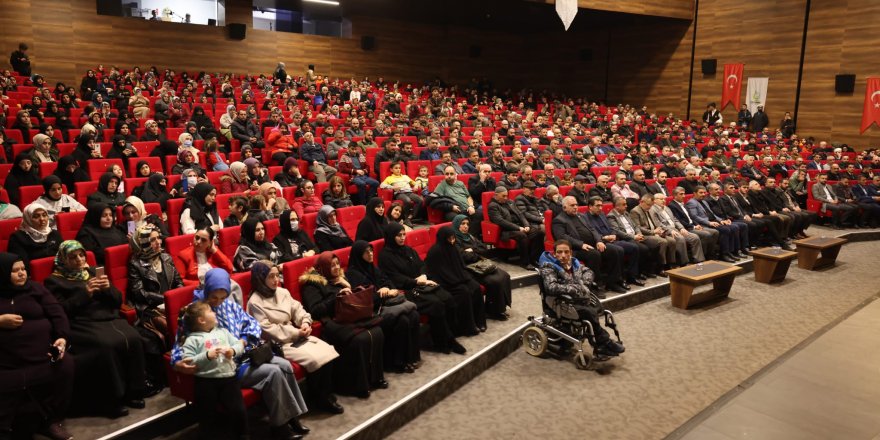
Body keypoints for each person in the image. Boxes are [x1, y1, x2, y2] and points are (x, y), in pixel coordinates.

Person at [172, 268, 309, 440]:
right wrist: (177, 362)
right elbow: (181, 342)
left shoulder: (229, 305)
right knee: (273, 372)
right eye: (214, 297)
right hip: (228, 366)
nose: (218, 302)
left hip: (244, 352)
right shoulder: (194, 311)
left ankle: (292, 417)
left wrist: (243, 340)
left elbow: (252, 324)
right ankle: (279, 427)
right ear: (206, 290)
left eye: (222, 297)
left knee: (285, 365)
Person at [45, 240, 149, 418]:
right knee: (106, 345)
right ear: (63, 260)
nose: (79, 260)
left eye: (81, 255)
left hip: (107, 317)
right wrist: (86, 293)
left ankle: (134, 391)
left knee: (134, 337)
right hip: (81, 322)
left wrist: (107, 288)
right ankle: (111, 399)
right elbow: (61, 310)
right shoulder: (54, 281)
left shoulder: (93, 271)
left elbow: (117, 300)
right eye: (72, 257)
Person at [246, 261, 342, 414]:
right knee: (315, 359)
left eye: (277, 275)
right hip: (278, 344)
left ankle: (323, 394)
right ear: (260, 278)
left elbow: (297, 309)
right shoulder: (255, 302)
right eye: (271, 276)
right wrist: (296, 332)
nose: (276, 280)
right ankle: (320, 398)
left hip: (296, 335)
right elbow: (267, 330)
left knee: (328, 351)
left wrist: (305, 322)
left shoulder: (282, 291)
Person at [0, 252, 75, 440]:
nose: (21, 274)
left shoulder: (35, 289)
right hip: (7, 360)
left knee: (66, 365)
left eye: (23, 269)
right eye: (14, 271)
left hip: (42, 354)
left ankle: (51, 420)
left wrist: (62, 338)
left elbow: (57, 313)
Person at [300, 252, 387, 398]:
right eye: (332, 265)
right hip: (331, 320)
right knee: (360, 339)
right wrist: (337, 296)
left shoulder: (340, 278)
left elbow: (352, 299)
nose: (336, 268)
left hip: (349, 315)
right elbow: (315, 310)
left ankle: (375, 378)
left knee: (377, 331)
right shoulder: (312, 283)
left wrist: (348, 286)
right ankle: (358, 385)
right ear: (322, 268)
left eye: (337, 264)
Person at [378, 223, 465, 353]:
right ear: (391, 237)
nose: (402, 238)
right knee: (436, 304)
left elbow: (422, 265)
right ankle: (443, 342)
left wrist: (424, 275)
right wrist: (416, 282)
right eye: (398, 235)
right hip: (406, 289)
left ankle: (450, 335)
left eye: (403, 234)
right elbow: (394, 278)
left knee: (448, 299)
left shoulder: (408, 250)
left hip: (422, 283)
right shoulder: (385, 255)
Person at [346, 241, 422, 374]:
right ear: (359, 254)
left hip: (386, 305)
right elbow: (365, 298)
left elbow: (387, 280)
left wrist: (388, 288)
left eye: (371, 251)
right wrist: (381, 294)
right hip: (373, 311)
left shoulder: (372, 267)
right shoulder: (353, 274)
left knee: (413, 315)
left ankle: (411, 357)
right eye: (366, 252)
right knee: (402, 321)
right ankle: (398, 362)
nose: (370, 254)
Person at [538, 240, 625, 356]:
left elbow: (588, 271)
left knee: (598, 307)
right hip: (559, 302)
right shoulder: (548, 267)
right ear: (554, 254)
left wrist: (585, 283)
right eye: (559, 252)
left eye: (566, 252)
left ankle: (601, 342)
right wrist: (576, 288)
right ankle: (603, 343)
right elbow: (551, 287)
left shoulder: (574, 263)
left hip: (576, 299)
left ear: (571, 253)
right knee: (589, 313)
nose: (563, 255)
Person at [179, 301, 248, 439]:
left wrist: (232, 350)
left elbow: (239, 344)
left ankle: (243, 436)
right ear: (201, 320)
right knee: (206, 416)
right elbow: (188, 361)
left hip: (228, 378)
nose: (215, 312)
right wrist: (206, 356)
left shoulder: (223, 332)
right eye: (210, 311)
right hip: (205, 381)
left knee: (238, 410)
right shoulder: (192, 340)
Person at [552, 196, 625, 295]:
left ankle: (613, 281)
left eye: (576, 205)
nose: (575, 207)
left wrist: (599, 241)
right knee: (594, 254)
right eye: (572, 205)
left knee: (615, 250)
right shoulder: (559, 220)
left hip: (593, 245)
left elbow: (592, 229)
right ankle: (595, 284)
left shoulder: (581, 216)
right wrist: (581, 244)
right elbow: (562, 237)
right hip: (576, 248)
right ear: (564, 207)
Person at [425, 226, 486, 335]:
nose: (452, 241)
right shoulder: (435, 251)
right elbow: (435, 271)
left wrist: (463, 278)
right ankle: (468, 327)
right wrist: (456, 280)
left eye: (453, 238)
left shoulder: (453, 248)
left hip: (458, 277)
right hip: (445, 282)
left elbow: (460, 266)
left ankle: (480, 321)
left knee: (476, 287)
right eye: (449, 239)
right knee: (464, 292)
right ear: (443, 238)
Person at [451, 215, 513, 320]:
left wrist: (472, 250)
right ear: (457, 225)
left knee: (505, 275)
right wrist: (474, 252)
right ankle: (491, 311)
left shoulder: (470, 236)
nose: (466, 226)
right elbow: (464, 257)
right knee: (495, 281)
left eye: (467, 224)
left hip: (481, 264)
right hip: (469, 269)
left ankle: (500, 308)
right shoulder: (454, 240)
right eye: (462, 224)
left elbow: (485, 249)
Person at [487, 186, 545, 269]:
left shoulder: (510, 202)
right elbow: (501, 221)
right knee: (522, 235)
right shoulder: (493, 206)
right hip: (506, 231)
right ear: (496, 195)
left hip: (519, 226)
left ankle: (534, 259)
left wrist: (526, 225)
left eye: (506, 195)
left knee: (539, 233)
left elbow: (520, 214)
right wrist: (518, 228)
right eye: (503, 196)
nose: (506, 198)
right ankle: (525, 262)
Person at [379, 161, 423, 225]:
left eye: (399, 168)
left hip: (409, 192)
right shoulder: (390, 178)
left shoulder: (405, 176)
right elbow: (382, 185)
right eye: (396, 168)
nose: (398, 170)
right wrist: (393, 187)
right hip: (400, 193)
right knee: (407, 201)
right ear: (391, 170)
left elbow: (415, 183)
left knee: (420, 200)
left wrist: (416, 186)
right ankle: (405, 218)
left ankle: (411, 217)